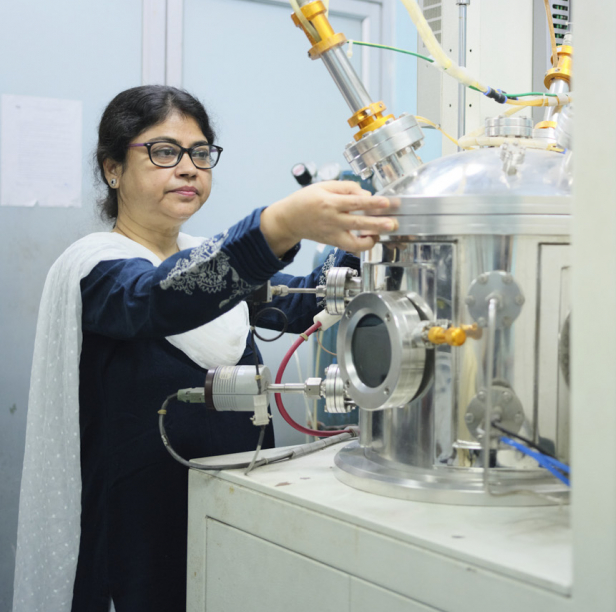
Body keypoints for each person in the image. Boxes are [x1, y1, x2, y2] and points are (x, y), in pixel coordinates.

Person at [12, 86, 397, 612]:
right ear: (112, 170)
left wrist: (375, 226)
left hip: (233, 509)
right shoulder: (96, 269)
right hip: (139, 534)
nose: (188, 168)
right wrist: (279, 225)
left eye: (199, 153)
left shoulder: (210, 261)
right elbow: (160, 298)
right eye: (163, 152)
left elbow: (306, 301)